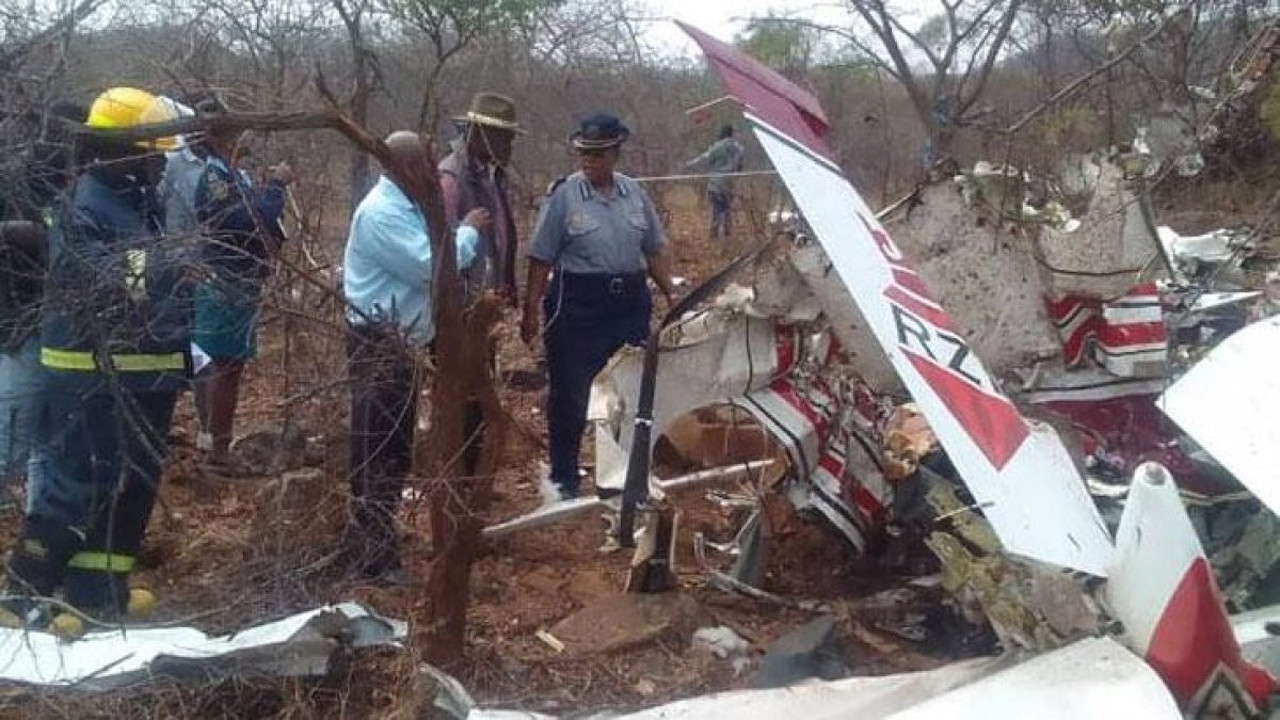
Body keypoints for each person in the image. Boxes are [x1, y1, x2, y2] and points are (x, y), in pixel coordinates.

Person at [2, 87, 187, 629]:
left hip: (144, 374)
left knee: (131, 488)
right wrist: (172, 267)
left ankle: (95, 592)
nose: (159, 162)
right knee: (77, 484)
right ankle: (22, 595)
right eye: (151, 150)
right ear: (118, 150)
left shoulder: (137, 201)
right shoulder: (85, 206)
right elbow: (112, 281)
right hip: (92, 377)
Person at [342, 130, 489, 582]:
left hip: (400, 345)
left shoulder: (407, 206)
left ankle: (376, 536)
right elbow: (432, 264)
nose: (434, 171)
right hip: (379, 346)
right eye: (426, 164)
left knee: (392, 445)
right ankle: (372, 556)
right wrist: (468, 234)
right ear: (405, 167)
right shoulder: (383, 213)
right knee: (378, 448)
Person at [521, 113, 676, 502]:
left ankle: (624, 478)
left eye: (597, 154)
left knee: (629, 393)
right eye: (583, 154)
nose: (588, 161)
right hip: (578, 305)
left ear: (614, 153)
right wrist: (529, 311)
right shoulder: (563, 197)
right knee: (570, 394)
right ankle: (564, 480)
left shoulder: (634, 194)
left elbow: (655, 248)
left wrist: (672, 294)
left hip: (628, 304)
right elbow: (541, 258)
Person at [193, 98, 296, 475]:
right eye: (240, 130)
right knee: (224, 363)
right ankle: (217, 449)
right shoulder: (216, 179)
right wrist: (275, 187)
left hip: (243, 278)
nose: (247, 137)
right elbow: (251, 221)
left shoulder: (236, 175)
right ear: (223, 137)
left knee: (232, 364)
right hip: (226, 279)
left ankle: (219, 443)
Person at [439, 92, 523, 304]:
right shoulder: (451, 179)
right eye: (503, 138)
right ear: (479, 134)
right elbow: (442, 253)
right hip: (463, 307)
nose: (509, 147)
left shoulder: (493, 175)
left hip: (490, 302)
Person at [685, 124, 745, 239]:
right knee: (727, 210)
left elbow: (705, 159)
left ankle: (714, 236)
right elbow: (740, 167)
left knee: (716, 210)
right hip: (730, 185)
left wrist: (689, 164)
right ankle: (728, 236)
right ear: (732, 134)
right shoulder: (739, 149)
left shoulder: (717, 147)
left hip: (716, 184)